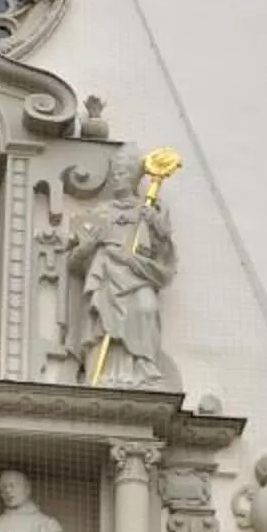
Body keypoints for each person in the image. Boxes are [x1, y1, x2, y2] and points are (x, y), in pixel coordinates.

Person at [72, 150, 175, 387]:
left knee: (146, 308)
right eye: (115, 173)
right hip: (107, 272)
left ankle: (142, 369)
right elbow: (75, 261)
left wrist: (157, 226)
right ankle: (105, 373)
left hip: (138, 272)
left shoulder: (148, 210)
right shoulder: (98, 213)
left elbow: (164, 255)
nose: (118, 178)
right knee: (105, 322)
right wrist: (90, 245)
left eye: (123, 173)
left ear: (134, 178)